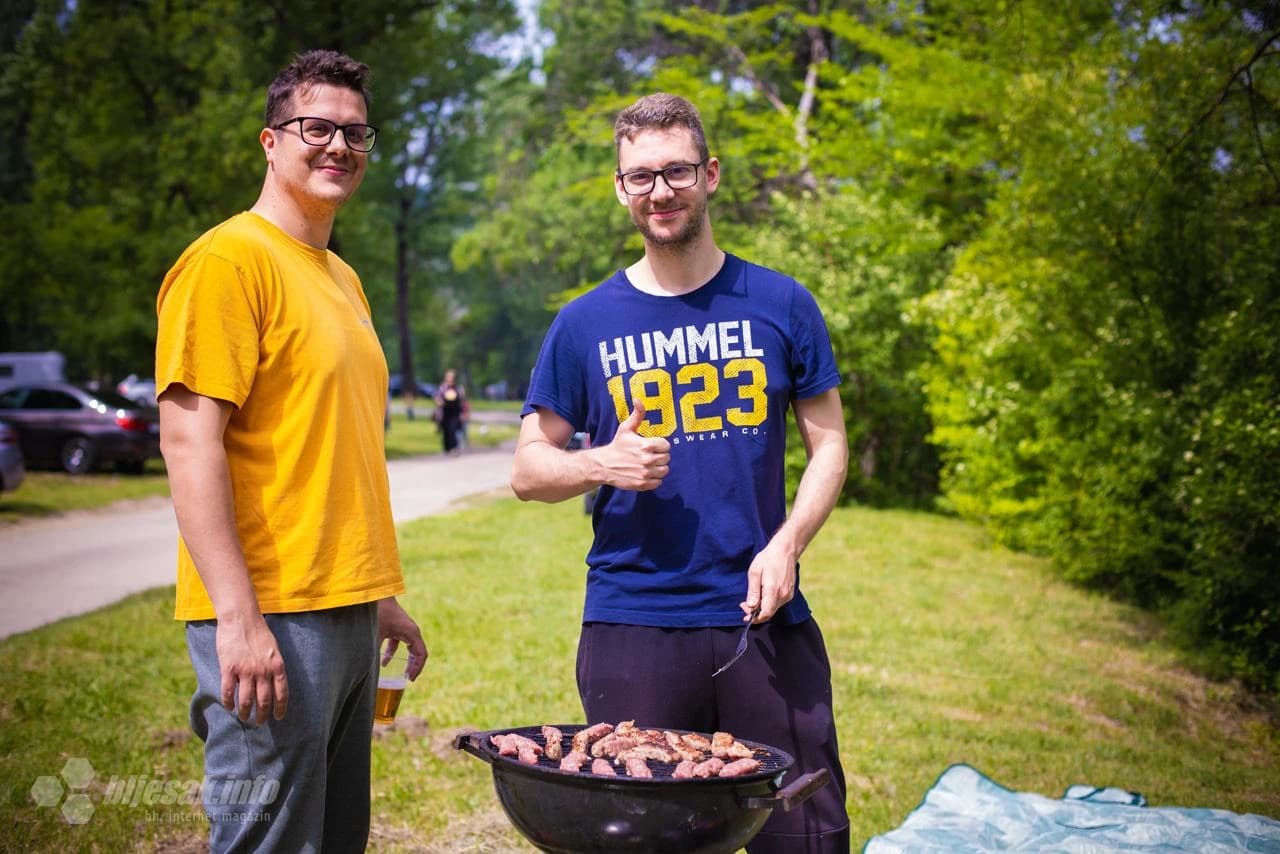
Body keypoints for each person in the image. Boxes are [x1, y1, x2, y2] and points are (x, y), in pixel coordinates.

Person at [511, 93, 851, 852]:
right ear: (620, 187)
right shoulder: (585, 323)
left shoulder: (780, 303)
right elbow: (528, 470)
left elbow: (829, 444)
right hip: (633, 620)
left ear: (711, 174)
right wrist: (600, 462)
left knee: (803, 830)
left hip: (761, 619)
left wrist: (788, 542)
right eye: (641, 176)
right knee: (637, 838)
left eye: (676, 171)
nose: (659, 191)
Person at [155, 49, 427, 852]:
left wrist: (373, 592)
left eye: (355, 132)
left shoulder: (341, 277)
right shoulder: (227, 261)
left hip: (340, 609)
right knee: (265, 838)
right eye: (317, 127)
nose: (339, 145)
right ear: (271, 141)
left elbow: (330, 446)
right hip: (269, 614)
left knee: (334, 839)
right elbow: (188, 440)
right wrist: (238, 619)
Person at [434, 368, 467, 454]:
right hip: (445, 412)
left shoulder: (458, 388)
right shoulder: (442, 388)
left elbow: (462, 400)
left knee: (453, 429)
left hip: (455, 412)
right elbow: (437, 398)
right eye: (448, 376)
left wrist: (464, 412)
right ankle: (446, 448)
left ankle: (454, 447)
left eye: (451, 376)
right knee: (445, 430)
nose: (450, 378)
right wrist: (439, 402)